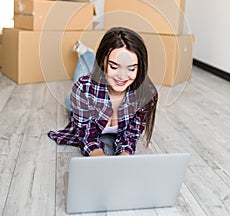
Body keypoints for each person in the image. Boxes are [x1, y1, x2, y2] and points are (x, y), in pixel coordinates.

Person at [48, 27, 158, 156]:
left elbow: (131, 136)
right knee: (82, 76)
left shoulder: (146, 94)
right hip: (78, 98)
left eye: (131, 68)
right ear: (103, 61)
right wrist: (100, 159)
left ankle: (89, 54)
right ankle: (86, 53)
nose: (122, 76)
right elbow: (87, 136)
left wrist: (124, 158)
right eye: (114, 66)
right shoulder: (83, 89)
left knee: (95, 73)